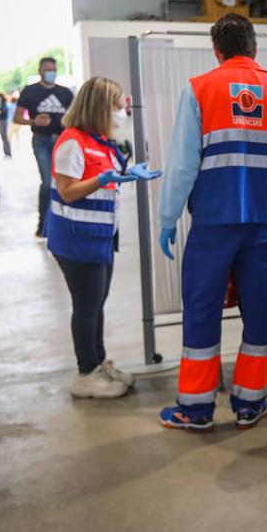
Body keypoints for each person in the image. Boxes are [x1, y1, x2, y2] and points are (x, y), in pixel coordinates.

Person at [156, 14, 267, 432]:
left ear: (216, 50)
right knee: (258, 311)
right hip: (263, 221)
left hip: (214, 222)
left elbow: (183, 164)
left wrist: (167, 218)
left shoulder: (200, 89)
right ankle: (250, 404)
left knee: (202, 310)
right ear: (254, 47)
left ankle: (197, 409)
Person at [48, 76, 163, 398]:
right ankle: (85, 374)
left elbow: (107, 174)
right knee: (86, 307)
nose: (121, 110)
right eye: (116, 104)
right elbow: (67, 191)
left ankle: (98, 363)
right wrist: (102, 179)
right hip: (76, 239)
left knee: (96, 304)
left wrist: (126, 174)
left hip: (99, 236)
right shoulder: (72, 141)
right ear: (100, 106)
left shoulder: (98, 140)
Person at [15, 58, 76, 237]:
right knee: (48, 183)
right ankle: (43, 224)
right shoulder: (30, 91)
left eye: (54, 69)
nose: (51, 72)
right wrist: (34, 121)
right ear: (40, 71)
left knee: (65, 182)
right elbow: (17, 118)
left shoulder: (64, 93)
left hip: (62, 142)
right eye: (48, 69)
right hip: (41, 141)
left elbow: (75, 115)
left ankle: (63, 223)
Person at [0, 92, 12, 159]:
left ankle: (8, 154)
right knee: (3, 138)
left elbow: (2, 111)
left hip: (3, 122)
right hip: (1, 121)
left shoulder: (4, 104)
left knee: (5, 138)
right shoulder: (1, 104)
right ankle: (6, 153)